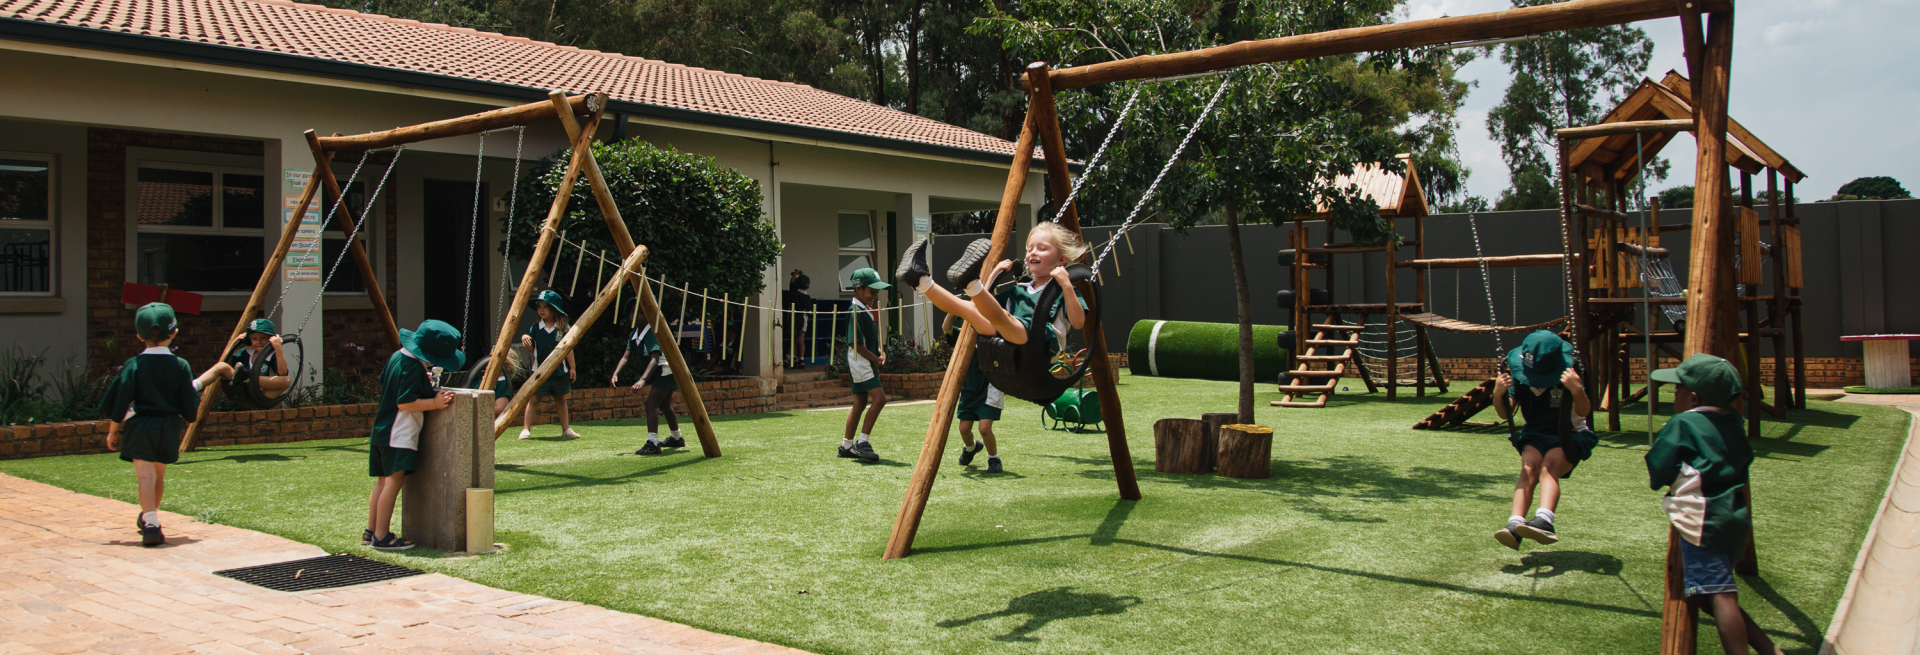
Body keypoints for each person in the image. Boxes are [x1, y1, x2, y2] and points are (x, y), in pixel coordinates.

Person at [1647, 354, 1782, 655]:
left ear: (1693, 397)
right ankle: (1771, 651)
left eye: (1677, 388)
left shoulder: (1684, 423)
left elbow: (1659, 468)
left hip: (1702, 521)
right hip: (1734, 519)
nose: (1673, 393)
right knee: (1710, 597)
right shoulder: (1735, 424)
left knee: (1720, 594)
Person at [99, 303, 224, 547]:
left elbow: (121, 399)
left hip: (141, 424)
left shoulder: (133, 365)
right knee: (158, 475)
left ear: (138, 335)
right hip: (168, 426)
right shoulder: (180, 365)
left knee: (144, 477)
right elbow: (189, 403)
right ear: (174, 332)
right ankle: (149, 516)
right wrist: (189, 416)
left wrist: (114, 429)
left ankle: (152, 522)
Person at [1489, 330, 1598, 550]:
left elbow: (1584, 411)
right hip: (1535, 434)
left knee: (1548, 468)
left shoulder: (1569, 374)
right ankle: (1515, 524)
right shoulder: (1522, 378)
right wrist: (1497, 394)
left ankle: (1544, 521)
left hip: (1568, 436)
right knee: (1529, 469)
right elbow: (1505, 414)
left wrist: (1576, 390)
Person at [363, 319, 461, 552]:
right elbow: (406, 403)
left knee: (382, 481)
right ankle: (382, 536)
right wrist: (435, 403)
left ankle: (370, 531)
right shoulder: (413, 367)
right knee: (394, 481)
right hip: (398, 434)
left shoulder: (398, 358)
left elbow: (390, 385)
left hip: (381, 431)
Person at [942, 312, 1005, 473]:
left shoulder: (994, 336)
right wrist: (952, 309)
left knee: (984, 428)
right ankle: (971, 448)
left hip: (990, 388)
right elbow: (946, 328)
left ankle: (994, 458)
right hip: (969, 388)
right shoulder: (964, 337)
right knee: (964, 429)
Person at [839, 268, 889, 462]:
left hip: (863, 361)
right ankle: (862, 442)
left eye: (877, 293)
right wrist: (874, 359)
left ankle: (846, 445)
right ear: (858, 289)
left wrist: (878, 352)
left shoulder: (865, 310)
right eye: (872, 292)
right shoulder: (855, 312)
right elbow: (855, 344)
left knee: (859, 402)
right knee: (880, 399)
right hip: (860, 363)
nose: (875, 296)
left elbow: (865, 341)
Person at [518, 290, 580, 440]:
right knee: (534, 399)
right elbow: (532, 348)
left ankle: (566, 429)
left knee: (560, 399)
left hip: (559, 371)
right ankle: (526, 429)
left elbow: (568, 349)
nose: (542, 310)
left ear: (554, 309)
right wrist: (524, 338)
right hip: (539, 371)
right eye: (539, 306)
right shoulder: (535, 328)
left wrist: (572, 367)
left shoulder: (563, 327)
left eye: (546, 306)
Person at [612, 323, 683, 455]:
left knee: (651, 404)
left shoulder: (651, 332)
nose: (635, 315)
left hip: (665, 371)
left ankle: (653, 443)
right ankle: (677, 438)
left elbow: (654, 359)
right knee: (664, 406)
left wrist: (642, 380)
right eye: (633, 312)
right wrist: (616, 373)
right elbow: (625, 357)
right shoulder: (634, 334)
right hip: (660, 372)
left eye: (639, 312)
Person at [205, 319, 292, 400]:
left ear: (271, 338)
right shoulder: (247, 351)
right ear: (250, 339)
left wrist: (278, 348)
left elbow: (282, 372)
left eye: (263, 338)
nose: (259, 342)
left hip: (263, 394)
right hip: (244, 392)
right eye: (254, 338)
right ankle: (196, 385)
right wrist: (236, 342)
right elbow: (226, 359)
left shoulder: (273, 354)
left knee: (286, 381)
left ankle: (246, 378)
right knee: (221, 366)